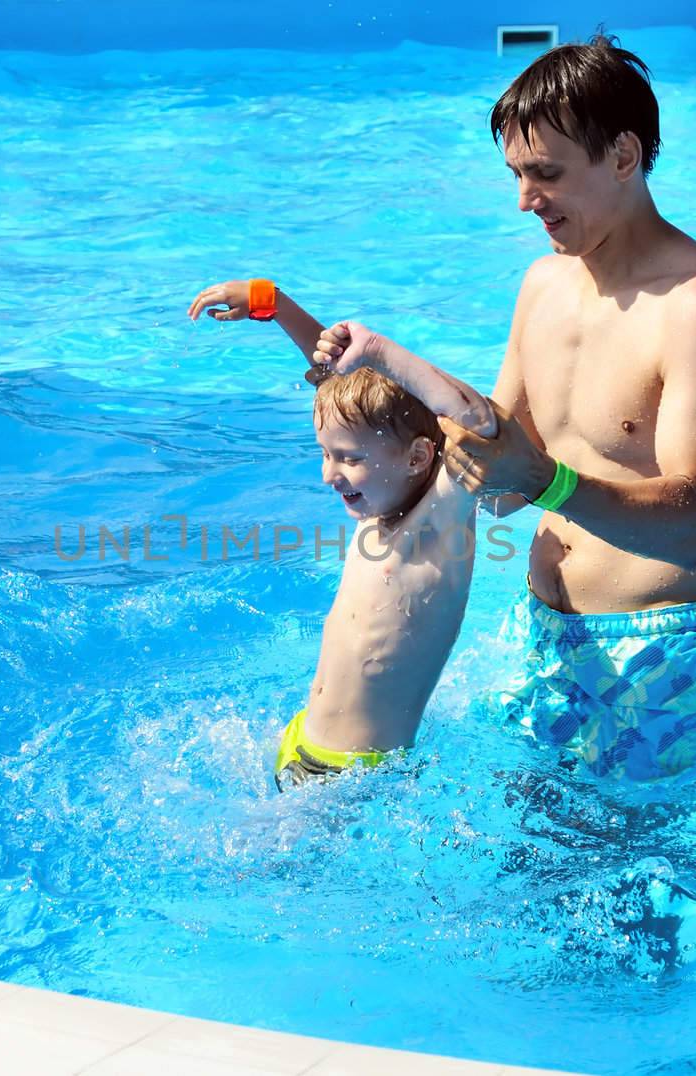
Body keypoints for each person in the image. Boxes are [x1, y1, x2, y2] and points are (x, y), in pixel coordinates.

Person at [435, 35, 696, 781]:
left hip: (662, 651)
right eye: (517, 175)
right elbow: (498, 486)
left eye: (546, 174)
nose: (525, 200)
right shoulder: (544, 286)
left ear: (623, 156)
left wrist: (547, 481)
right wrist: (379, 392)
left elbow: (693, 527)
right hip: (541, 632)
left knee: (629, 888)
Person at [187, 280, 496, 789]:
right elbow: (337, 384)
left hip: (351, 775)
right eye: (327, 454)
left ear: (418, 457)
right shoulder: (378, 506)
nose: (328, 475)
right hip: (299, 737)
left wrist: (378, 350)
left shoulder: (440, 521)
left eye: (349, 460)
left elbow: (479, 423)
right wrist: (273, 304)